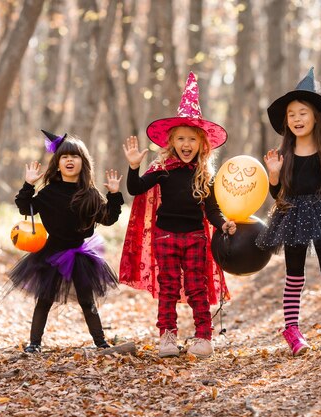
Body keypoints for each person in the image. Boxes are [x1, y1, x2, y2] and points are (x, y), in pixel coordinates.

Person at [120, 72, 236, 359]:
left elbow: (212, 209)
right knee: (168, 287)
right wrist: (134, 167)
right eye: (181, 138)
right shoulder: (162, 168)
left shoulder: (204, 175)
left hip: (196, 237)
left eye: (192, 139)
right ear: (172, 142)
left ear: (201, 145)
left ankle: (203, 336)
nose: (186, 144)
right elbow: (135, 188)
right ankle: (167, 336)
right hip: (166, 235)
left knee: (198, 287)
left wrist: (223, 224)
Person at [256, 67, 321, 356]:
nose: (297, 119)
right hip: (292, 216)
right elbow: (278, 196)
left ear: (316, 117)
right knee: (294, 276)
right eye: (292, 114)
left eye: (303, 112)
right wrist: (274, 176)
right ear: (286, 122)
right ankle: (292, 330)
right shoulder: (284, 156)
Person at [7, 130, 124, 353]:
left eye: (75, 156)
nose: (69, 160)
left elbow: (107, 218)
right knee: (44, 299)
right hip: (51, 253)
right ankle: (34, 343)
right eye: (64, 156)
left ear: (84, 162)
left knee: (87, 301)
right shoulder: (48, 192)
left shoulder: (90, 194)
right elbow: (25, 208)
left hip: (79, 254)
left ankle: (100, 342)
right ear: (57, 163)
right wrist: (28, 184)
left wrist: (114, 196)